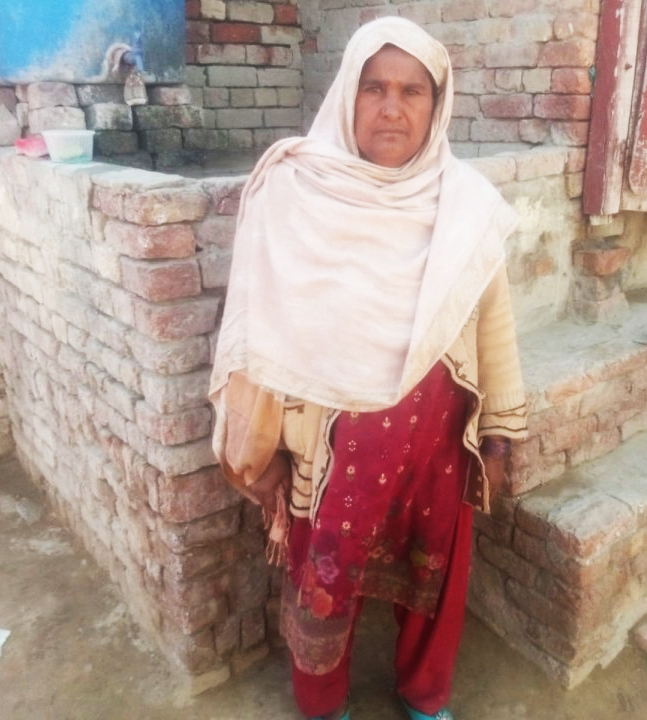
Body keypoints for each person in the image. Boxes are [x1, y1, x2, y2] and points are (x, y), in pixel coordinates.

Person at [209, 17, 527, 720]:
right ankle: (323, 708)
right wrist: (254, 458)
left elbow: (492, 323)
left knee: (436, 576)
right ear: (348, 94)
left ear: (436, 105)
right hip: (329, 448)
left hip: (438, 441)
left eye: (413, 90)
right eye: (375, 87)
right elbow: (255, 330)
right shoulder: (291, 189)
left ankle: (426, 697)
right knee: (323, 582)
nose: (393, 107)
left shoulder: (464, 203)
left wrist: (499, 434)